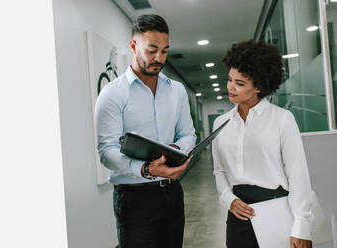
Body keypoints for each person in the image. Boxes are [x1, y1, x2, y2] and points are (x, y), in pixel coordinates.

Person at [95, 14, 196, 248]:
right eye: (152, 50)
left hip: (172, 193)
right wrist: (146, 169)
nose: (159, 58)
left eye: (164, 51)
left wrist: (176, 150)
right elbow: (106, 152)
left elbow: (189, 134)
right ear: (133, 46)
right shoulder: (113, 94)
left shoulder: (177, 91)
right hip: (134, 198)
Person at [212, 40, 313, 248]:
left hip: (277, 210)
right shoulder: (221, 123)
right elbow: (219, 170)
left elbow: (298, 173)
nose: (230, 87)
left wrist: (302, 225)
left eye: (240, 83)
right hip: (238, 213)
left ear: (259, 86)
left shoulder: (282, 119)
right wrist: (228, 199)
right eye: (230, 79)